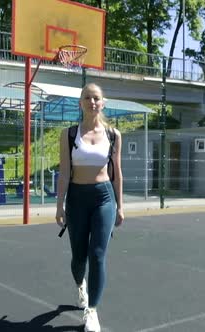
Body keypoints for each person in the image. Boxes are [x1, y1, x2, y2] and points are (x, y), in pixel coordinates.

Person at [55, 83, 124, 332]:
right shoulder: (69, 134)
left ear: (102, 103)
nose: (92, 102)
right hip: (76, 198)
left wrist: (120, 207)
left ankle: (92, 311)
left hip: (104, 198)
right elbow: (64, 173)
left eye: (96, 98)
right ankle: (80, 286)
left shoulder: (114, 135)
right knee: (79, 257)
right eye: (87, 98)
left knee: (97, 255)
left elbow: (117, 174)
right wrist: (60, 206)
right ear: (80, 103)